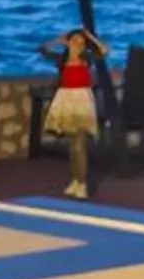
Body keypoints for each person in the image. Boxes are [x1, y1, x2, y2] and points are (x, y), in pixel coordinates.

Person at [39, 27, 107, 199]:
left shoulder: (87, 60)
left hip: (82, 100)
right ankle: (75, 179)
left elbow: (104, 51)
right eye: (75, 41)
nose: (79, 45)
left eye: (82, 43)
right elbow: (42, 49)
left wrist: (91, 37)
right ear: (68, 43)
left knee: (80, 143)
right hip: (65, 99)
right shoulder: (61, 60)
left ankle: (82, 182)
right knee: (72, 145)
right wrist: (57, 40)